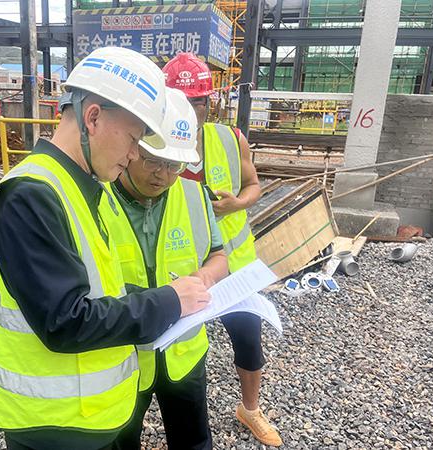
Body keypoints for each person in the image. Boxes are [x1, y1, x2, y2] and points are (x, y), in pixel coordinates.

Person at [0, 47, 211, 450]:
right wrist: (167, 302)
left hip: (90, 418)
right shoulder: (30, 195)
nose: (134, 154)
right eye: (134, 139)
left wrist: (172, 297)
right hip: (56, 429)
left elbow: (101, 292)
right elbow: (65, 321)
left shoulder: (81, 188)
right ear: (92, 118)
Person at [164, 52, 282, 447]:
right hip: (180, 270)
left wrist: (237, 204)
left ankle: (250, 409)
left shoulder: (230, 140)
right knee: (173, 351)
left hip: (233, 268)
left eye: (197, 102)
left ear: (209, 103)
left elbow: (254, 185)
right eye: (180, 101)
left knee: (248, 339)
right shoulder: (153, 146)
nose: (190, 110)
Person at [100, 88, 229, 450]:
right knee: (121, 441)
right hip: (123, 354)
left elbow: (219, 256)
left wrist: (203, 278)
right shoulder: (96, 199)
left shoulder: (193, 195)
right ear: (132, 148)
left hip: (183, 353)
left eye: (175, 165)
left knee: (193, 440)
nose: (163, 175)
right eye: (153, 161)